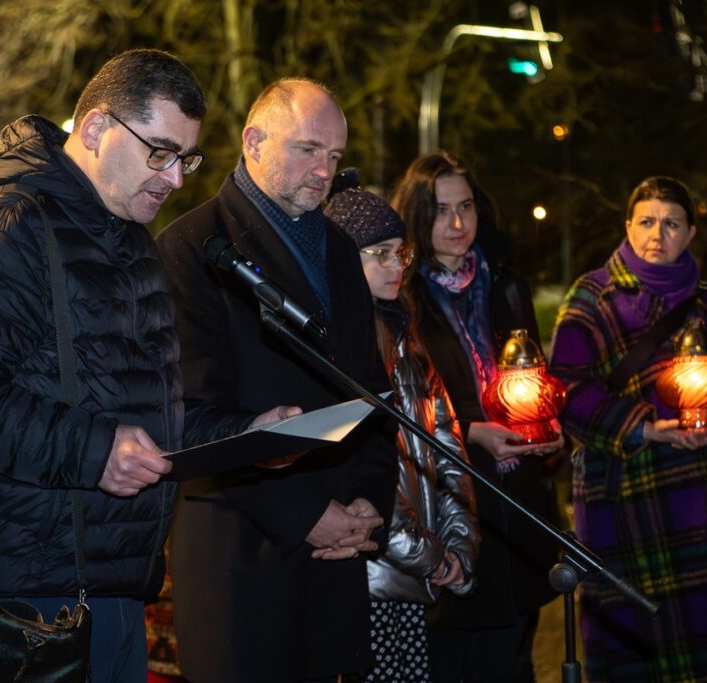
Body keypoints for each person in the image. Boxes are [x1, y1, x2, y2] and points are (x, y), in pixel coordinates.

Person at [0, 49, 213, 682]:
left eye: (186, 159)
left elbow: (144, 413)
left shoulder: (131, 239)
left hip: (111, 590)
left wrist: (248, 433)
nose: (175, 178)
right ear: (97, 129)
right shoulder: (12, 222)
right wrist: (92, 450)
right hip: (24, 603)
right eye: (160, 152)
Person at [155, 78, 398, 683]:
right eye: (309, 149)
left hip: (336, 545)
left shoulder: (341, 249)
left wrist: (371, 505)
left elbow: (371, 391)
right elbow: (193, 418)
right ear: (253, 140)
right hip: (243, 553)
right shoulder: (189, 248)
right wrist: (306, 512)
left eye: (335, 156)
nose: (324, 171)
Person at [548, 176, 707, 682]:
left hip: (703, 504)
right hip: (625, 504)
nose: (657, 233)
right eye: (646, 221)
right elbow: (566, 389)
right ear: (628, 226)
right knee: (634, 654)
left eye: (671, 223)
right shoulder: (594, 297)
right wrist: (644, 428)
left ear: (691, 233)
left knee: (706, 657)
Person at [391, 150, 561, 683]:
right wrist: (470, 433)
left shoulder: (506, 286)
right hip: (452, 504)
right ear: (417, 216)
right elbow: (404, 407)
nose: (459, 224)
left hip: (518, 503)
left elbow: (535, 378)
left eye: (466, 207)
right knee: (457, 658)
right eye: (442, 211)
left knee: (515, 659)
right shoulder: (400, 294)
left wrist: (550, 427)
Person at [324, 171, 480, 683]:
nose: (397, 267)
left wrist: (460, 541)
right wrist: (429, 557)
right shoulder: (342, 346)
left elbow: (444, 440)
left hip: (409, 577)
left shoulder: (404, 337)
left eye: (401, 253)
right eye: (380, 254)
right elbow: (369, 472)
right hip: (367, 575)